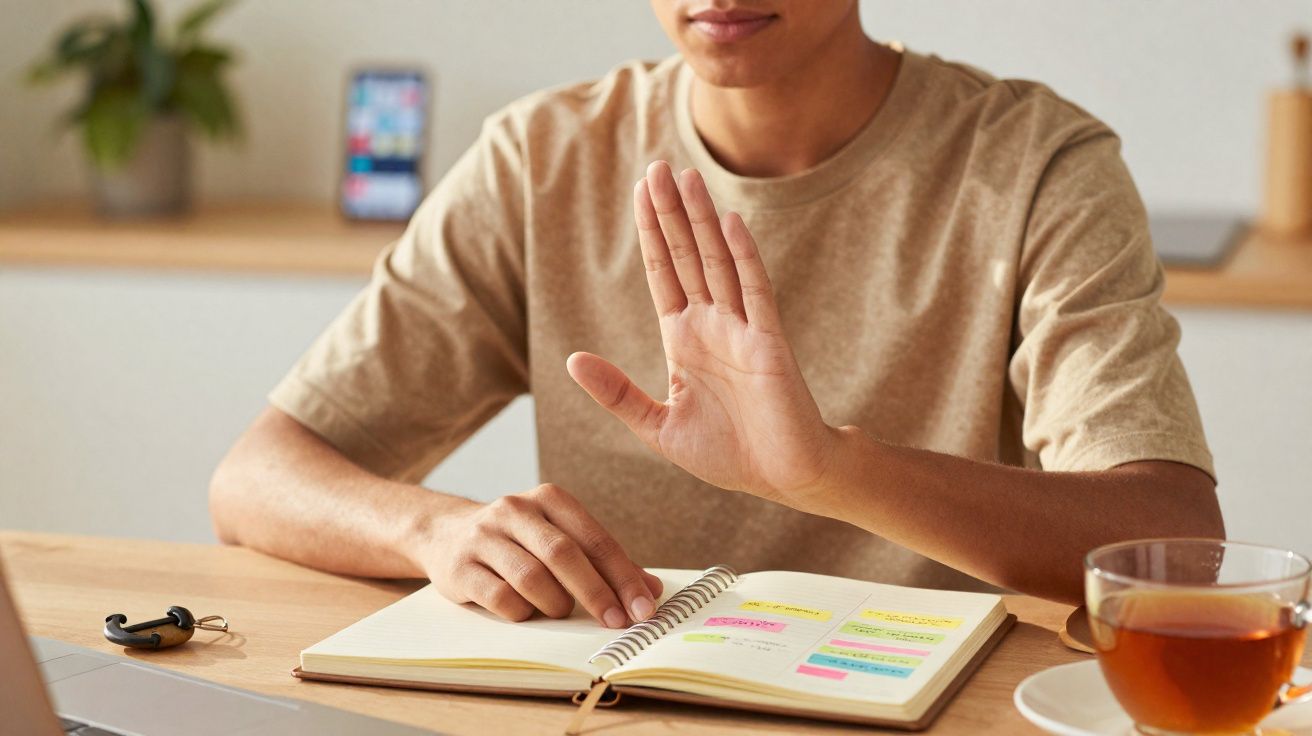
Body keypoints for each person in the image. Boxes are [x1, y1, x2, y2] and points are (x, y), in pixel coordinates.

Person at [209, 1, 1223, 629]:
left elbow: (1173, 541)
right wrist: (434, 529)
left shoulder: (1035, 166)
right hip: (616, 701)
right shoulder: (541, 157)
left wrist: (832, 470)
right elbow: (254, 477)